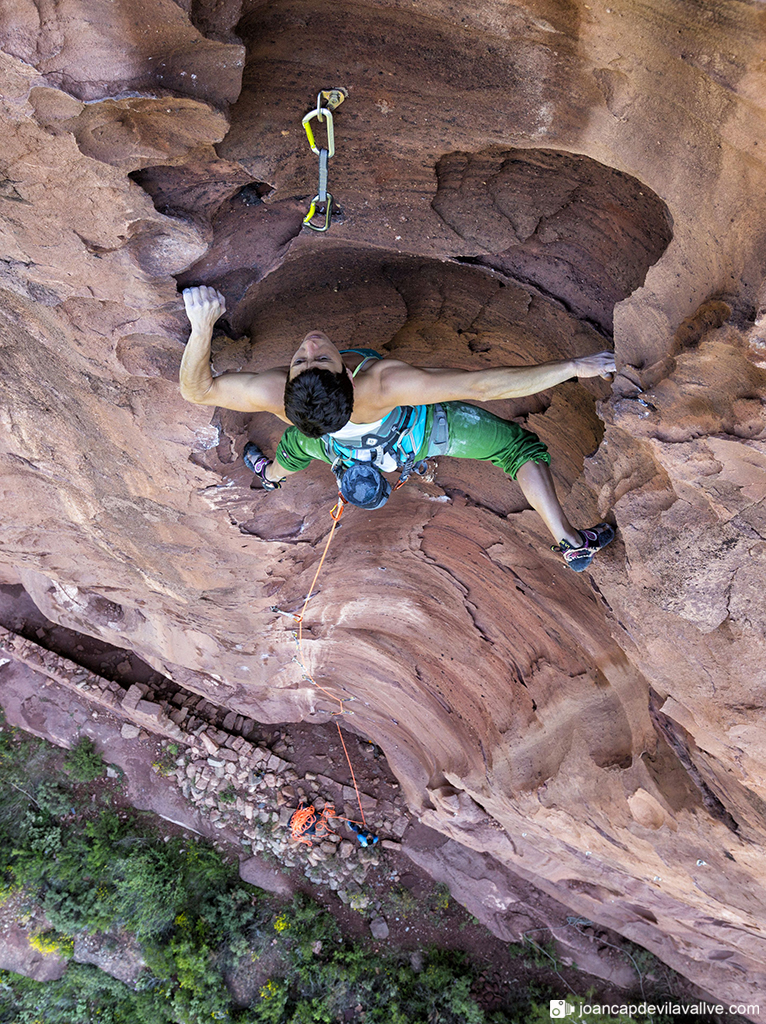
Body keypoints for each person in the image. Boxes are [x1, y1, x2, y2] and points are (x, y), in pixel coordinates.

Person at [180, 285, 617, 571]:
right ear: (348, 377)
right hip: (415, 432)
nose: (310, 345)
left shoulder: (277, 395)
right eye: (310, 360)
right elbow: (482, 386)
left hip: (331, 446)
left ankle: (269, 476)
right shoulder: (384, 383)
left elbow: (198, 390)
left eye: (308, 358)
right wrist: (576, 366)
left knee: (296, 449)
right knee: (518, 451)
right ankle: (568, 541)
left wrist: (202, 329)